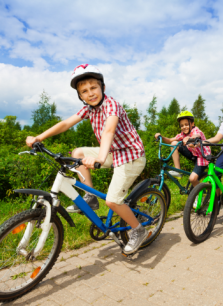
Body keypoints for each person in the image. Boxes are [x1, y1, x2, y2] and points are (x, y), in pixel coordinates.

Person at [26, 64, 147, 254]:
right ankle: (90, 197)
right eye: (84, 91)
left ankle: (138, 230)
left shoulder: (111, 105)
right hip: (114, 152)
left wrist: (99, 157)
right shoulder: (89, 109)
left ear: (103, 88)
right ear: (80, 96)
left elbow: (109, 131)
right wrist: (39, 137)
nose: (90, 93)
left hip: (131, 155)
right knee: (78, 154)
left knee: (113, 201)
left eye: (93, 88)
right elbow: (66, 123)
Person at [154, 111, 211, 189]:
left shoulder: (195, 130)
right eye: (182, 125)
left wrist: (190, 138)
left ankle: (198, 194)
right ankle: (178, 171)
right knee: (174, 143)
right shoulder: (183, 134)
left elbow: (196, 135)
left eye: (186, 124)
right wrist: (161, 137)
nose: (184, 127)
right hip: (193, 154)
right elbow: (170, 140)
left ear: (192, 124)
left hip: (202, 157)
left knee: (192, 179)